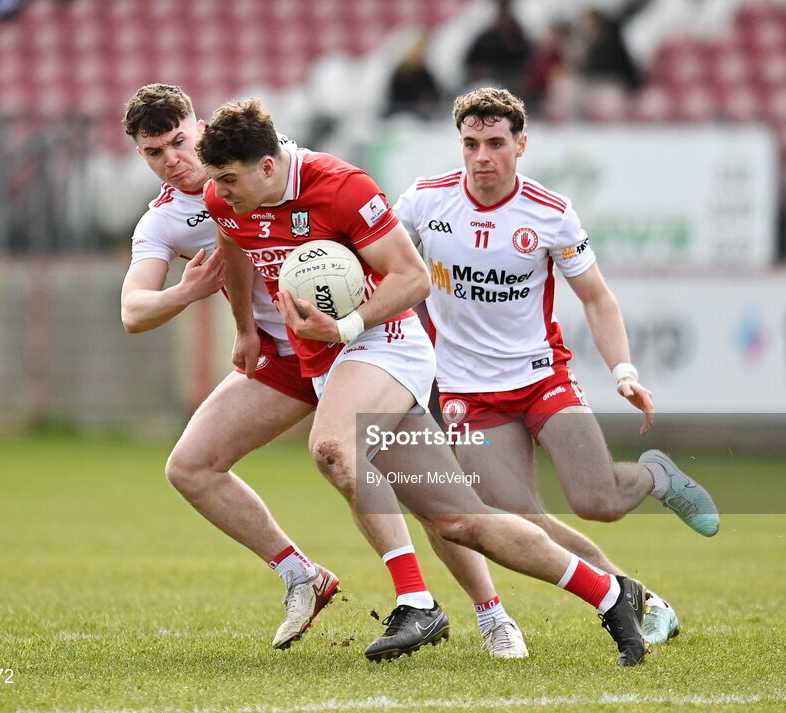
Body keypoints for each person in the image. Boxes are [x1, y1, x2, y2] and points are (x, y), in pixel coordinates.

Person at [198, 96, 652, 666]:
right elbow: (232, 241)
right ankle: (610, 595)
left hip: (383, 343)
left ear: (268, 167)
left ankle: (416, 601)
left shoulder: (341, 187)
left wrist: (347, 325)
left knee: (334, 446)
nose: (219, 190)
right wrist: (245, 327)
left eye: (229, 178)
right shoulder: (225, 195)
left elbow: (413, 279)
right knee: (462, 520)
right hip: (329, 361)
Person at [119, 84, 529, 659]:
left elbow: (340, 222)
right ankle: (301, 575)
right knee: (190, 466)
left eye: (179, 142)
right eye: (155, 153)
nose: (173, 161)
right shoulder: (169, 217)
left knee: (429, 495)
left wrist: (349, 321)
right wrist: (214, 311)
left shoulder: (266, 167)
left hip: (358, 343)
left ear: (200, 126)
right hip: (287, 359)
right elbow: (137, 308)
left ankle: (492, 615)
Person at [393, 86, 722, 645]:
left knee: (597, 502)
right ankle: (631, 596)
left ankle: (655, 475)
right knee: (517, 521)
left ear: (522, 145)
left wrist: (624, 370)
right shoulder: (425, 202)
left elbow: (597, 298)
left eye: (496, 143)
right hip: (466, 394)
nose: (482, 157)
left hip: (542, 378)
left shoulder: (549, 213)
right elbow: (383, 260)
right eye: (471, 144)